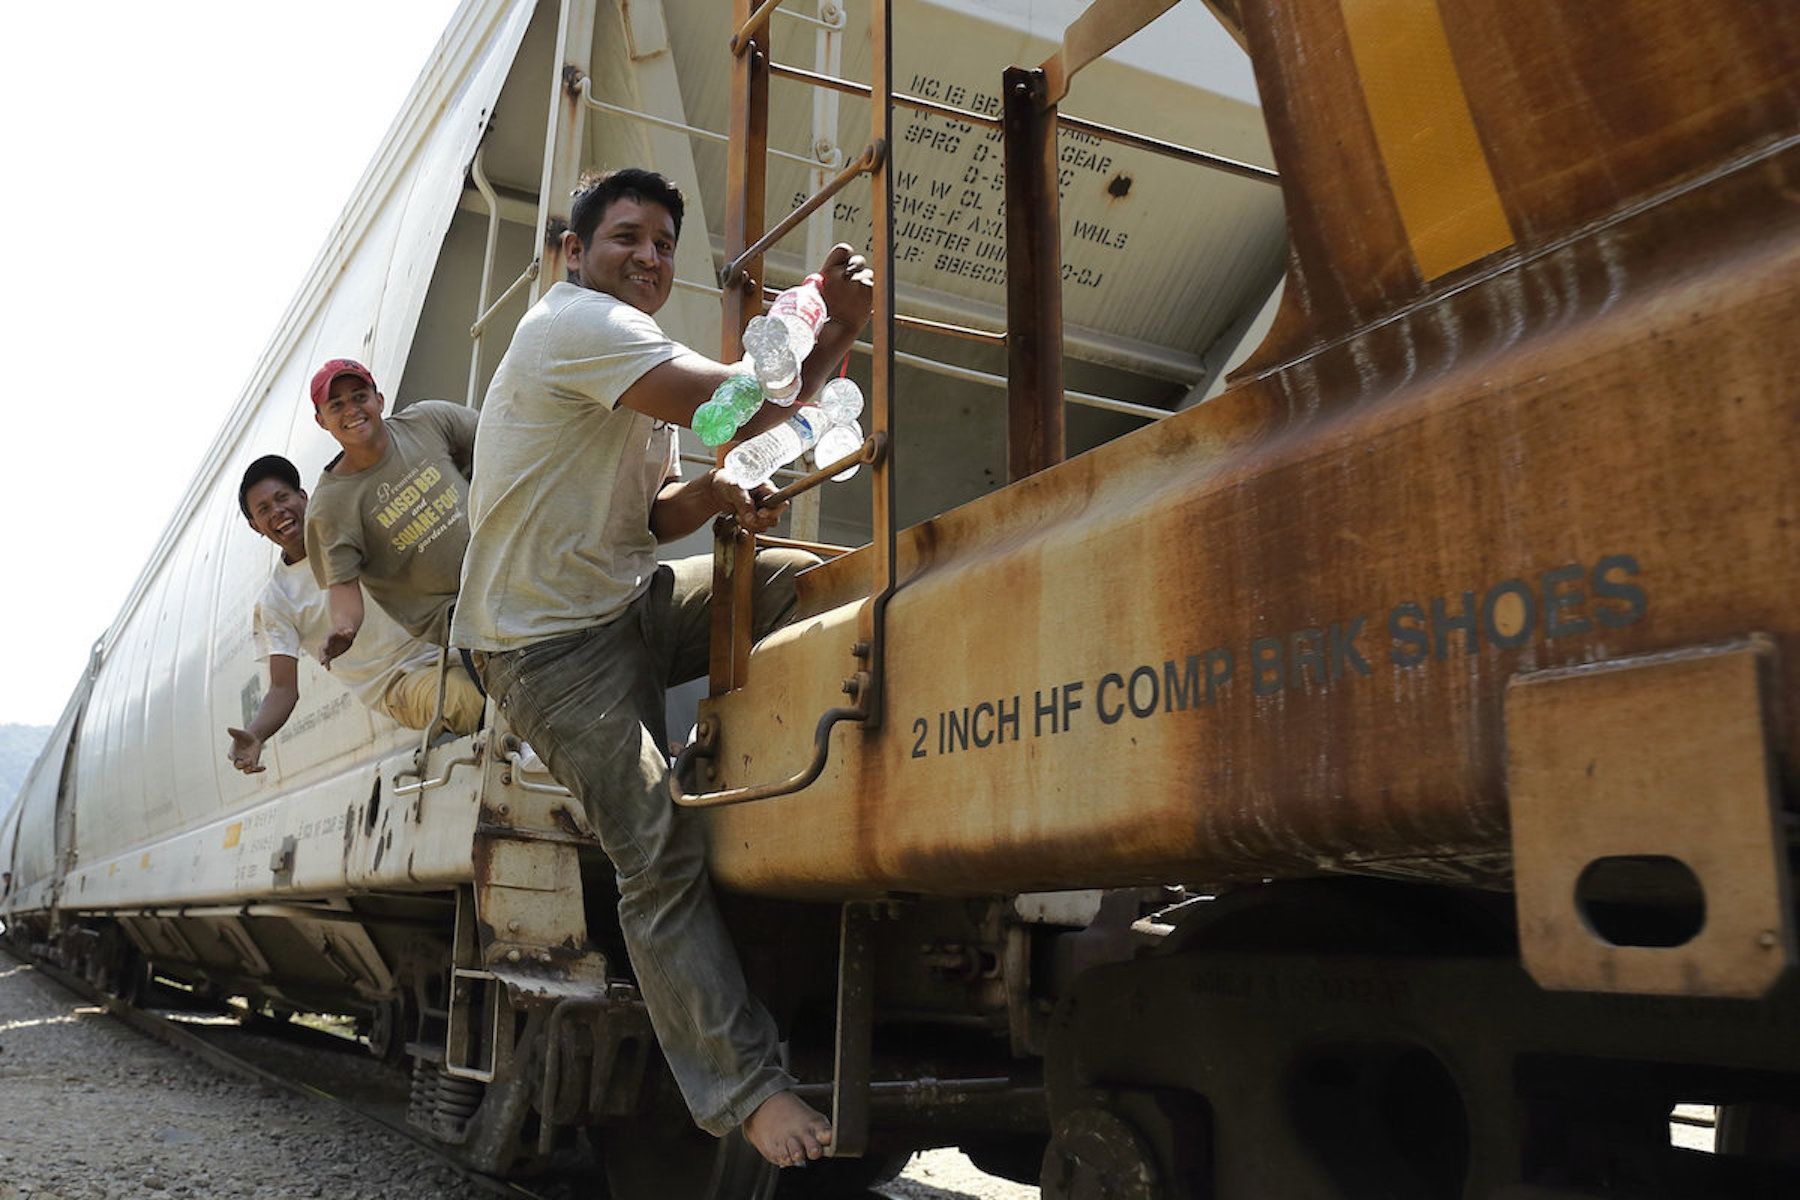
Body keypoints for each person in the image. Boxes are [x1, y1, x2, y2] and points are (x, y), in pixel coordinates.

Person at [452, 168, 872, 1169]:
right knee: (655, 851)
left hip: (626, 602)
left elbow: (665, 508)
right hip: (545, 649)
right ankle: (744, 1091)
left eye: (662, 244)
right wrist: (820, 311)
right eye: (625, 238)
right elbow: (733, 405)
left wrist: (723, 492)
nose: (647, 258)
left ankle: (777, 783)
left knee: (796, 587)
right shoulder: (575, 326)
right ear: (576, 255)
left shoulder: (627, 351)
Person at [227, 455, 483, 775]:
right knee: (472, 702)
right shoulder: (276, 601)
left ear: (302, 497)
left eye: (282, 497)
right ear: (255, 527)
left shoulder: (349, 529)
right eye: (263, 509)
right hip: (399, 683)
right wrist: (255, 734)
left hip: (451, 640)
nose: (277, 510)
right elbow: (283, 689)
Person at [301, 359, 477, 665]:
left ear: (378, 400)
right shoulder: (329, 508)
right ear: (321, 421)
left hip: (509, 562)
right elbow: (342, 583)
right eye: (337, 405)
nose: (352, 410)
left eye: (360, 397)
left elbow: (497, 439)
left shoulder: (427, 421)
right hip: (460, 614)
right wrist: (344, 628)